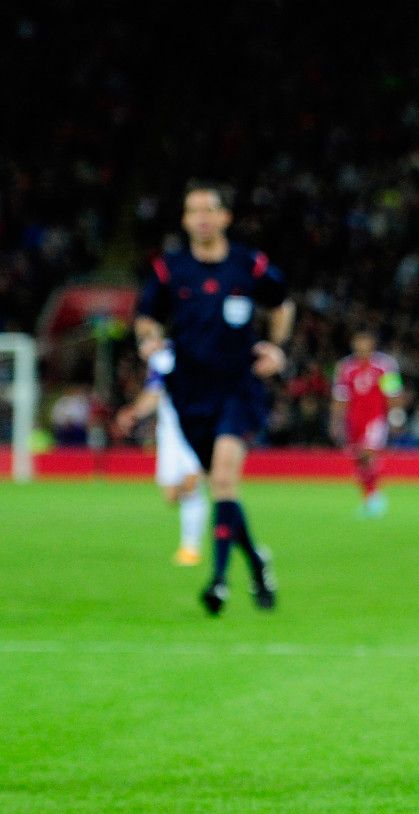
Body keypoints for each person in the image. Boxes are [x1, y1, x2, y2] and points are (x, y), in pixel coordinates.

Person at [134, 180, 294, 615]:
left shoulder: (249, 265)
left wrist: (276, 346)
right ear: (185, 221)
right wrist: (148, 341)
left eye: (208, 210)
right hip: (187, 392)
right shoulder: (170, 269)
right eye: (192, 212)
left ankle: (219, 581)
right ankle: (257, 562)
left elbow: (281, 303)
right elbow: (147, 318)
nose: (200, 218)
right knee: (223, 489)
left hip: (238, 388)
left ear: (225, 217)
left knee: (223, 481)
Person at [115, 335, 209, 565]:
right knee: (171, 495)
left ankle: (191, 547)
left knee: (191, 484)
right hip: (169, 434)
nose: (142, 351)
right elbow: (154, 393)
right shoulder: (161, 361)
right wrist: (135, 413)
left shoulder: (191, 351)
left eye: (143, 345)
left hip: (196, 428)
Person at [331, 328, 402, 518]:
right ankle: (370, 497)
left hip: (376, 419)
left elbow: (393, 393)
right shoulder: (345, 367)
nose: (361, 345)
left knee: (368, 455)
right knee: (359, 460)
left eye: (365, 341)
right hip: (354, 420)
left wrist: (396, 415)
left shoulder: (385, 365)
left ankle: (375, 499)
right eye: (358, 341)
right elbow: (340, 397)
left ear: (372, 343)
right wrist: (336, 421)